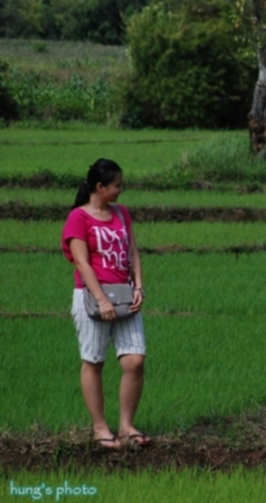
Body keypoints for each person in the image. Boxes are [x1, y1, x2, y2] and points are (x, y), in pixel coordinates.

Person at [61, 159, 151, 449]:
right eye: (116, 185)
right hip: (91, 298)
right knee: (94, 361)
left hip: (125, 295)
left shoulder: (122, 214)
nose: (120, 191)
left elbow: (133, 253)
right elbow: (81, 262)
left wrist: (138, 286)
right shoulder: (78, 217)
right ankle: (100, 428)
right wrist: (101, 300)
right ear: (99, 187)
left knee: (135, 360)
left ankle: (126, 426)